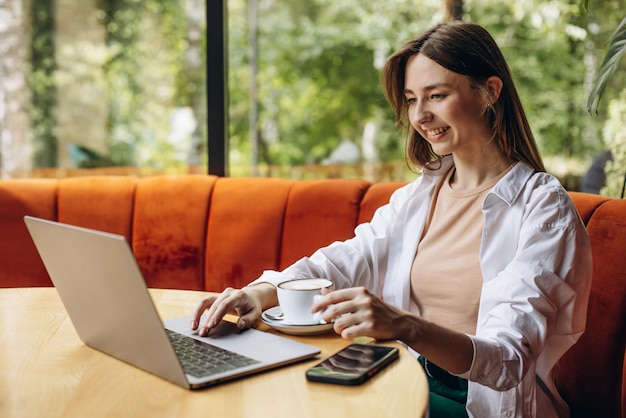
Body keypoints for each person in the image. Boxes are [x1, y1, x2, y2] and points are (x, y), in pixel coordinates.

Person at [191, 21, 592, 418]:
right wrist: (261, 292)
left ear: (490, 91)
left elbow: (507, 360)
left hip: (477, 404)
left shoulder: (543, 208)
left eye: (436, 95)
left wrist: (406, 326)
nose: (420, 116)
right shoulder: (422, 193)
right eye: (411, 99)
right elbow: (345, 260)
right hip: (405, 375)